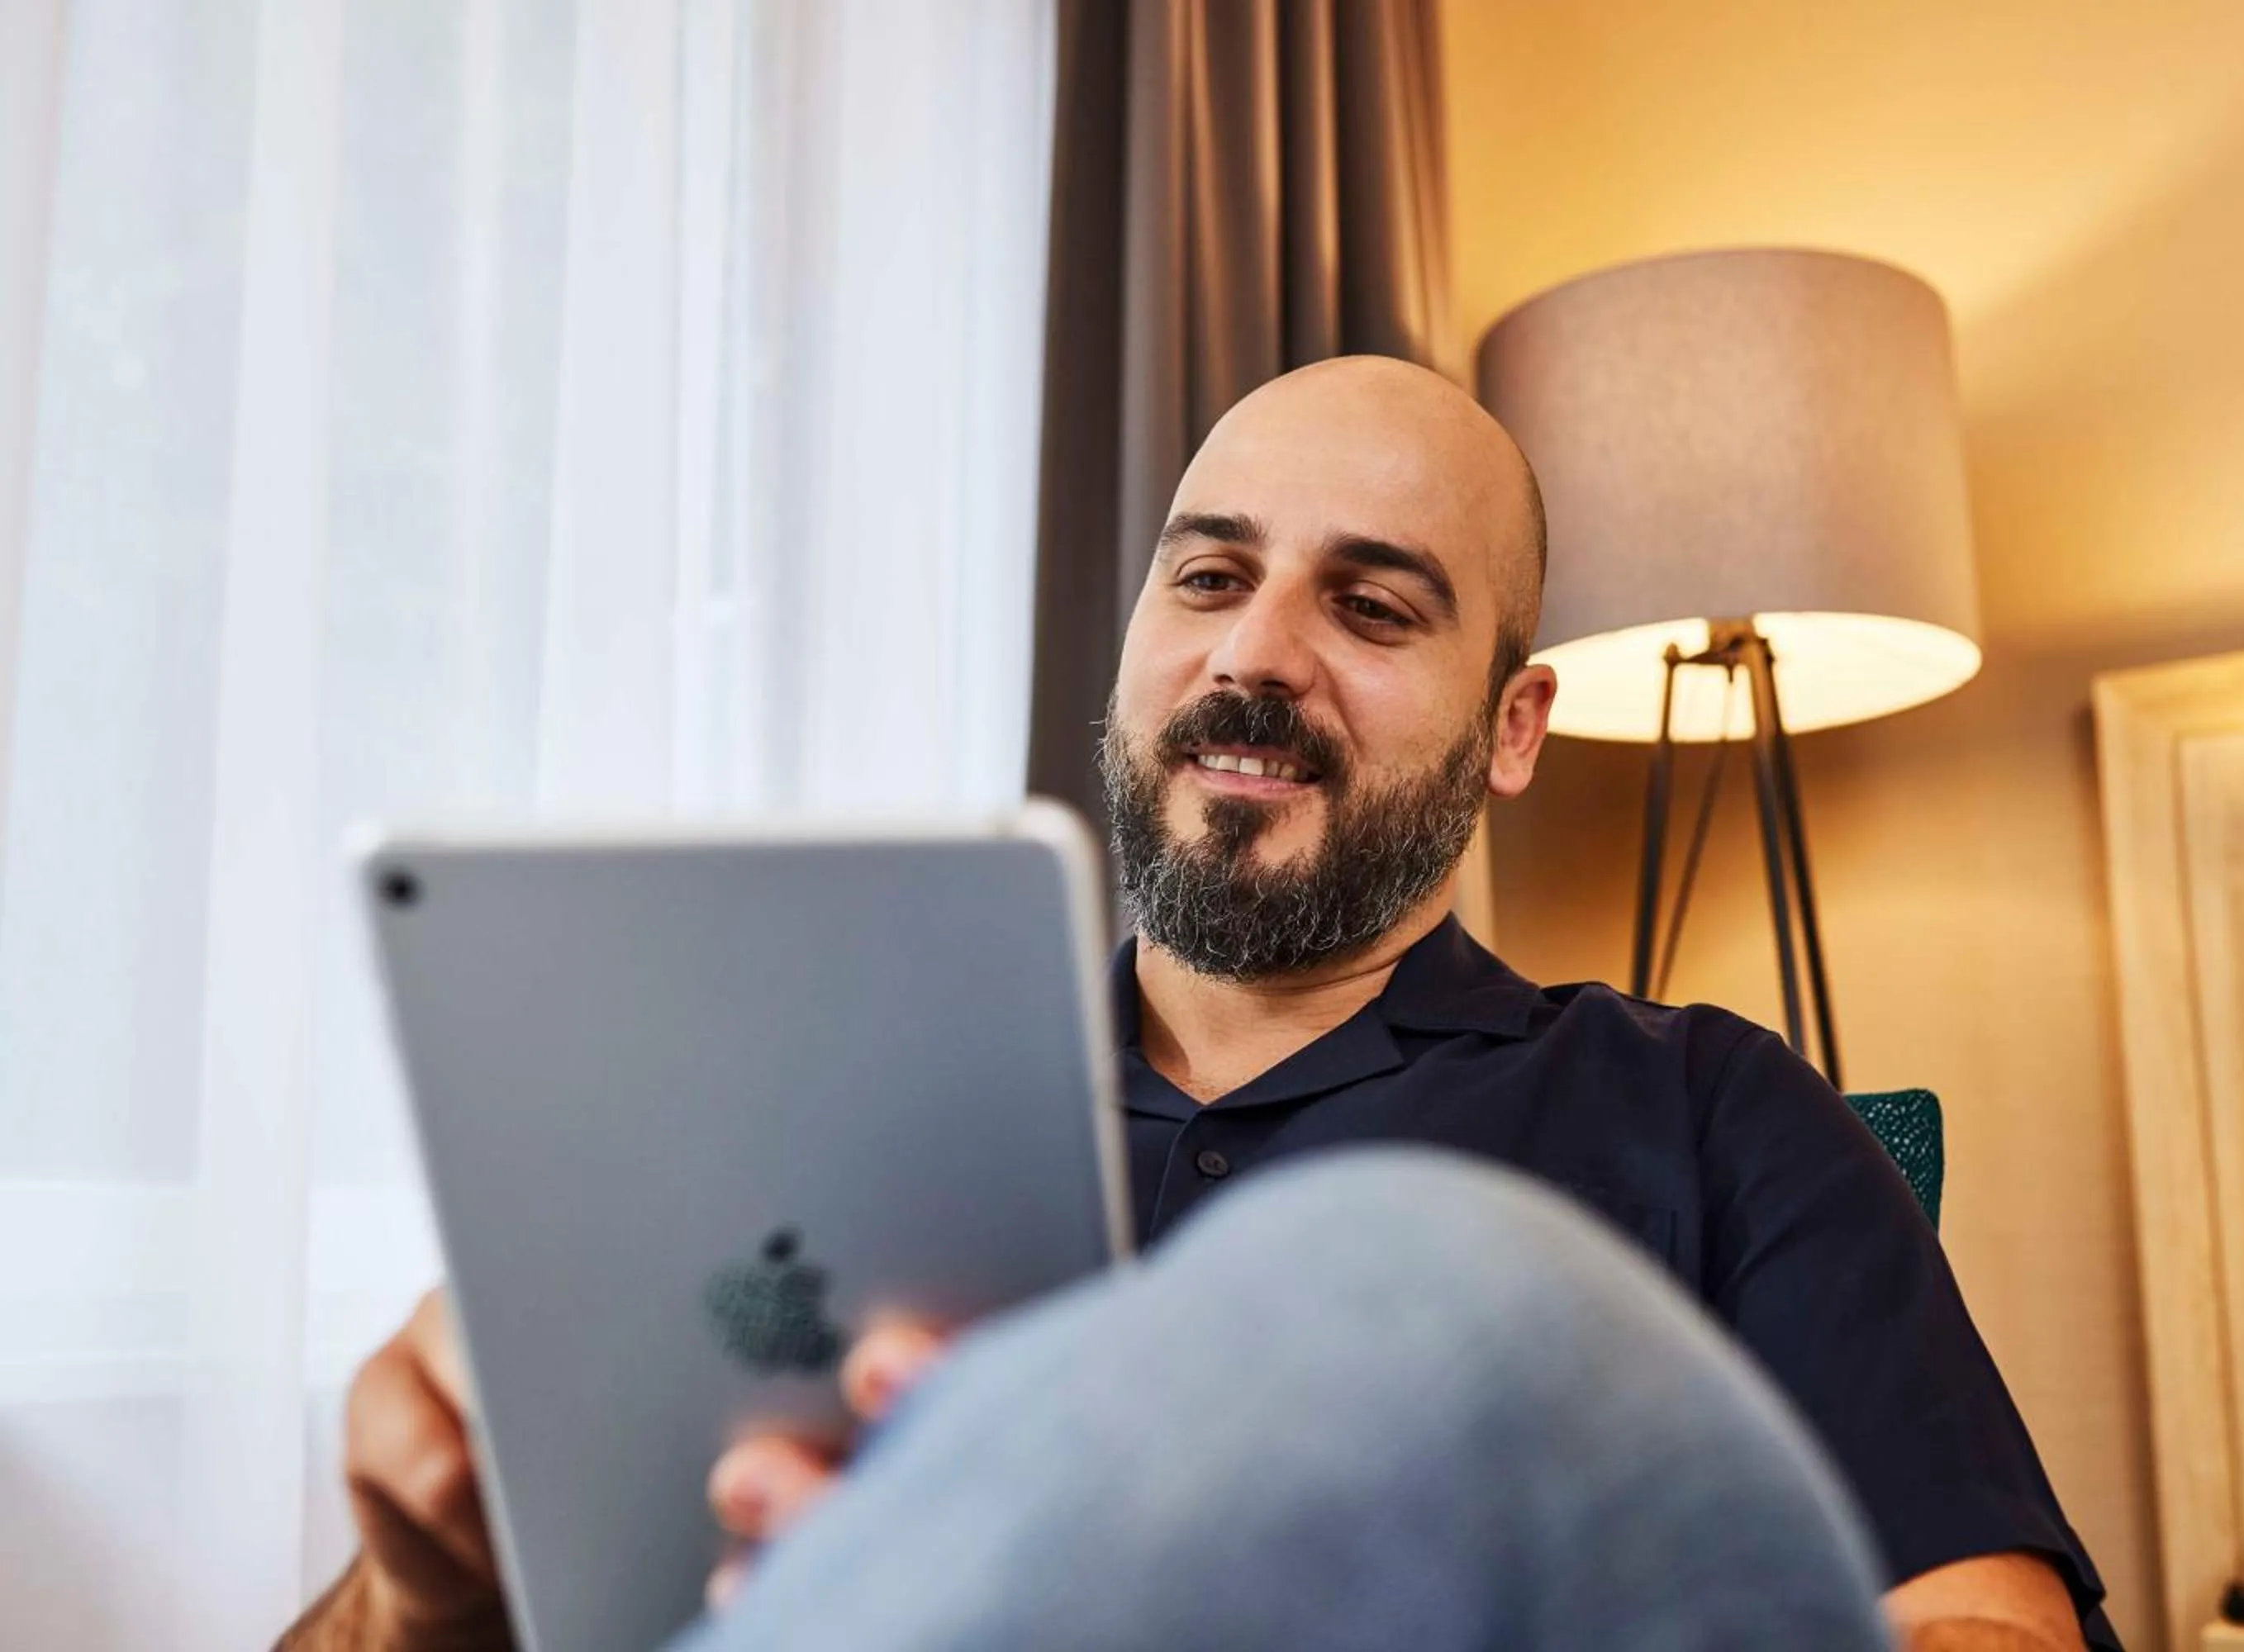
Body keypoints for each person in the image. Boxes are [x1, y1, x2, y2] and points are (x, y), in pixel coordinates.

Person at [280, 357, 2115, 1651]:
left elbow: (1979, 1618)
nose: (1252, 655)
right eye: (1211, 576)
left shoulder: (1708, 1108)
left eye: (1374, 607)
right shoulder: (804, 1127)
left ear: (1513, 728)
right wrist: (422, 1598)